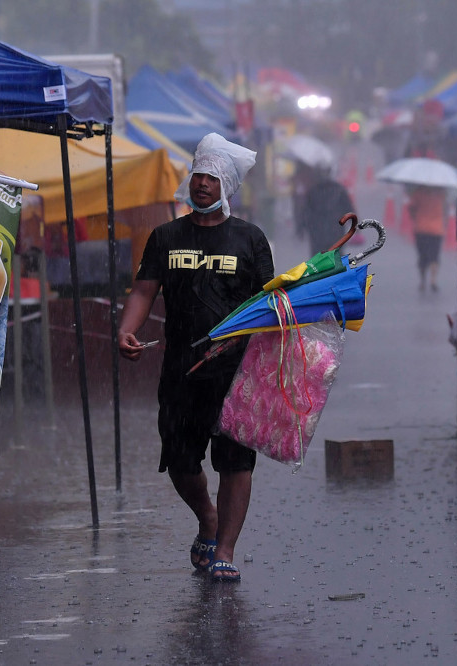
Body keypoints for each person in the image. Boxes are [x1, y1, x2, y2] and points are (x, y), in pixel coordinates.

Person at [118, 133, 274, 583]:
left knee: (236, 462)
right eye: (197, 175)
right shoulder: (166, 237)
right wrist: (127, 331)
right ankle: (207, 517)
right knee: (182, 463)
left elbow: (270, 303)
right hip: (181, 372)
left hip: (235, 374)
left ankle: (224, 548)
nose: (201, 184)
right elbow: (144, 290)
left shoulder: (250, 239)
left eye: (211, 177)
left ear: (226, 184)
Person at [293, 160, 355, 256]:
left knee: (318, 259)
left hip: (317, 232)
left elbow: (305, 211)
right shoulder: (338, 189)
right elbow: (348, 208)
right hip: (336, 230)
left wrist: (301, 228)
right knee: (336, 256)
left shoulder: (313, 191)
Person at [406, 184, 447, 292]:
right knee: (435, 255)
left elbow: (411, 208)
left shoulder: (418, 193)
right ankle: (433, 280)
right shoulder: (441, 193)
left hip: (421, 229)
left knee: (422, 255)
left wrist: (415, 216)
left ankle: (422, 281)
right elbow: (445, 208)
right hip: (437, 229)